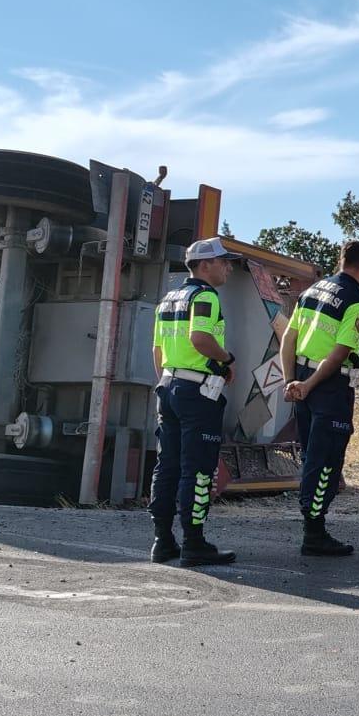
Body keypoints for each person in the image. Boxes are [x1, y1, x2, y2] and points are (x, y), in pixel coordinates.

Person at [278, 239, 359, 558]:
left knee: (312, 456)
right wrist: (308, 385)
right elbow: (338, 354)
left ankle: (313, 526)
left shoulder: (313, 290)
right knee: (327, 462)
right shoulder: (357, 301)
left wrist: (291, 380)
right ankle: (314, 531)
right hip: (328, 386)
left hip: (303, 382)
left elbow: (288, 339)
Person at [147, 237, 242, 568]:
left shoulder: (168, 300)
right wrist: (228, 359)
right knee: (198, 469)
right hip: (197, 393)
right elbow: (200, 339)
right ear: (205, 266)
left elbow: (158, 351)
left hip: (169, 386)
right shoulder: (205, 296)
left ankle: (163, 540)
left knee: (167, 466)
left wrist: (167, 381)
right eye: (223, 261)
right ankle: (194, 543)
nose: (228, 267)